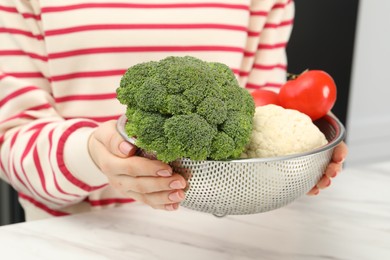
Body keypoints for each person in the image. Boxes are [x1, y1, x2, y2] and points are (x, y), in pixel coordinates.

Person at [0, 0, 347, 221]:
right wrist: (93, 154)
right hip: (75, 237)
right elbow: (12, 138)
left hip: (227, 235)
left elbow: (261, 112)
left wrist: (295, 161)